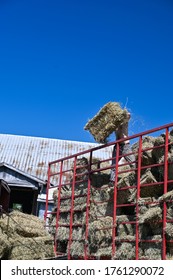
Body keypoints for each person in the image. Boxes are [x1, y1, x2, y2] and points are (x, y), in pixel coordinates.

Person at [110, 112, 136, 182]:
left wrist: (122, 113)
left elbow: (129, 114)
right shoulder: (114, 125)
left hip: (125, 145)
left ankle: (136, 178)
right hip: (117, 146)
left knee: (133, 163)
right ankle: (112, 181)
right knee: (113, 165)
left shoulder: (124, 122)